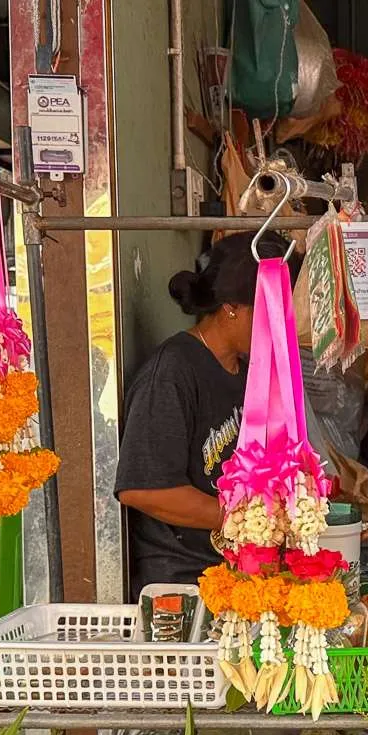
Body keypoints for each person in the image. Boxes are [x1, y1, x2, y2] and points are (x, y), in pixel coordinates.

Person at [115, 232, 294, 594]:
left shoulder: (245, 372)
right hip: (182, 586)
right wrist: (242, 518)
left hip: (236, 576)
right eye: (269, 310)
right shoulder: (172, 372)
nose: (278, 325)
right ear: (231, 307)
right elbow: (143, 490)